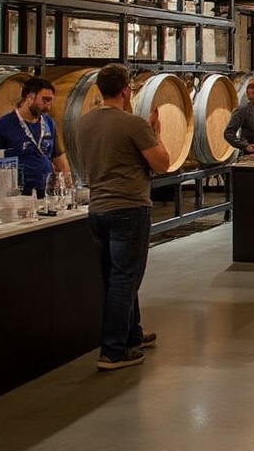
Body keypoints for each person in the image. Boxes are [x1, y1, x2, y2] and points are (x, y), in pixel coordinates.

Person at [73, 63, 170, 371]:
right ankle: (113, 351)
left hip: (97, 209)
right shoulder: (134, 124)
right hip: (129, 208)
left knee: (115, 277)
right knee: (125, 279)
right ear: (127, 90)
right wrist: (156, 132)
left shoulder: (83, 123)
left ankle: (132, 335)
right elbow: (163, 163)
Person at [0, 76, 70, 198]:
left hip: (46, 195)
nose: (48, 107)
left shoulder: (49, 123)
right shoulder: (2, 125)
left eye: (50, 101)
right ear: (30, 97)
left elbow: (59, 157)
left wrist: (68, 186)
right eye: (45, 100)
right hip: (17, 198)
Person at [223, 78, 254, 157]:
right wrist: (245, 146)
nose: (250, 90)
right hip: (250, 156)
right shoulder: (243, 110)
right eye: (248, 88)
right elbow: (228, 133)